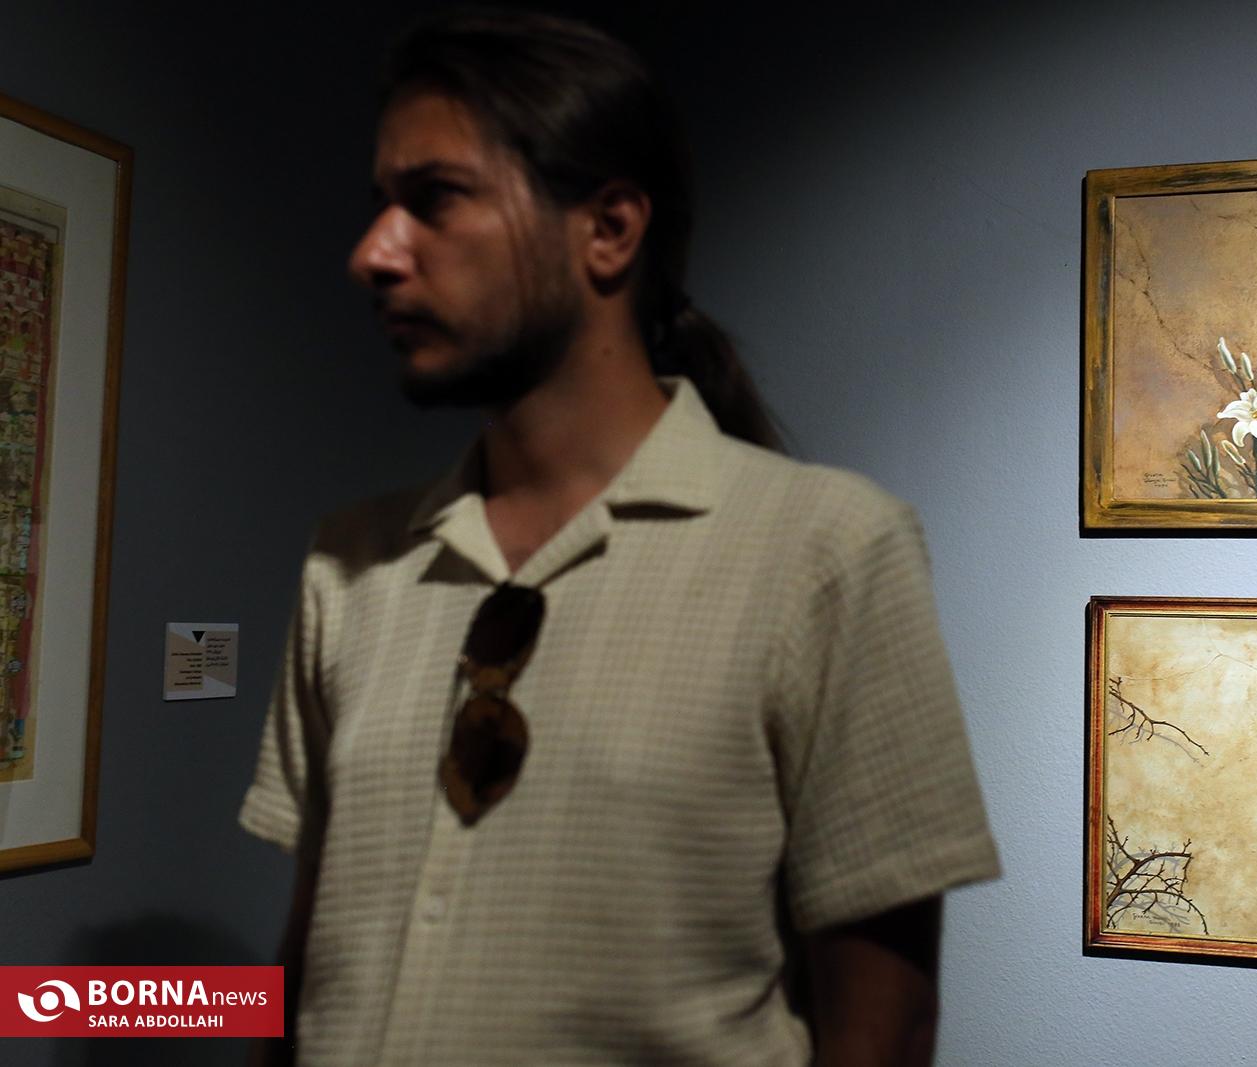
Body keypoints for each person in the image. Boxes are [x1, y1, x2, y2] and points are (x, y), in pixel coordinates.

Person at [241, 8, 999, 1064]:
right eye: (379, 206)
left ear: (608, 230)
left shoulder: (826, 551)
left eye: (436, 199)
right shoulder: (350, 564)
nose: (374, 252)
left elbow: (884, 1020)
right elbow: (301, 965)